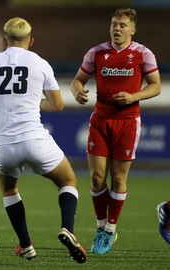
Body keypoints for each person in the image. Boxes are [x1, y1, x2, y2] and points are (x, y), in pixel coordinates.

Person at [0, 17, 86, 263]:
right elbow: (58, 105)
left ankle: (26, 245)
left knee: (9, 189)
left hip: (3, 144)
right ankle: (68, 229)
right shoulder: (40, 63)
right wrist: (34, 101)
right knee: (68, 180)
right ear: (31, 40)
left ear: (4, 41)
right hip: (34, 139)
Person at [70, 8, 161, 254]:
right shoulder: (97, 52)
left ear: (132, 30)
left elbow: (156, 87)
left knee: (119, 178)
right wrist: (77, 90)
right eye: (114, 24)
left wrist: (134, 96)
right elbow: (78, 80)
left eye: (122, 25)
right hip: (100, 120)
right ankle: (101, 227)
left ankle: (111, 229)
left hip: (128, 122)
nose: (117, 28)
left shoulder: (143, 54)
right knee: (97, 178)